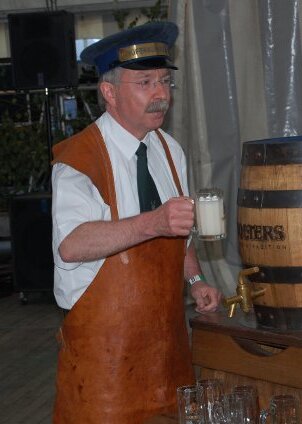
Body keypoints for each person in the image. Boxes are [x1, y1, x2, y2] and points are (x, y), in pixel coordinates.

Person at [51, 21, 222, 423]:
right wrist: (153, 222)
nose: (161, 94)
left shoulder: (169, 150)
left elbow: (179, 234)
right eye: (145, 83)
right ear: (109, 93)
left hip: (168, 354)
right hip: (104, 366)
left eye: (164, 81)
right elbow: (71, 245)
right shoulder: (79, 160)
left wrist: (196, 280)